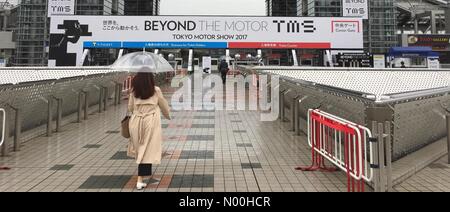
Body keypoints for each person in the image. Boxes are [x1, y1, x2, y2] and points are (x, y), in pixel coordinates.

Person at [127, 71, 171, 190]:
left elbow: (130, 108)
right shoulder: (155, 90)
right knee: (146, 149)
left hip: (136, 122)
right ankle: (140, 179)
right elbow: (163, 106)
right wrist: (168, 115)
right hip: (150, 122)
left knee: (141, 148)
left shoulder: (134, 91)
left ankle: (141, 178)